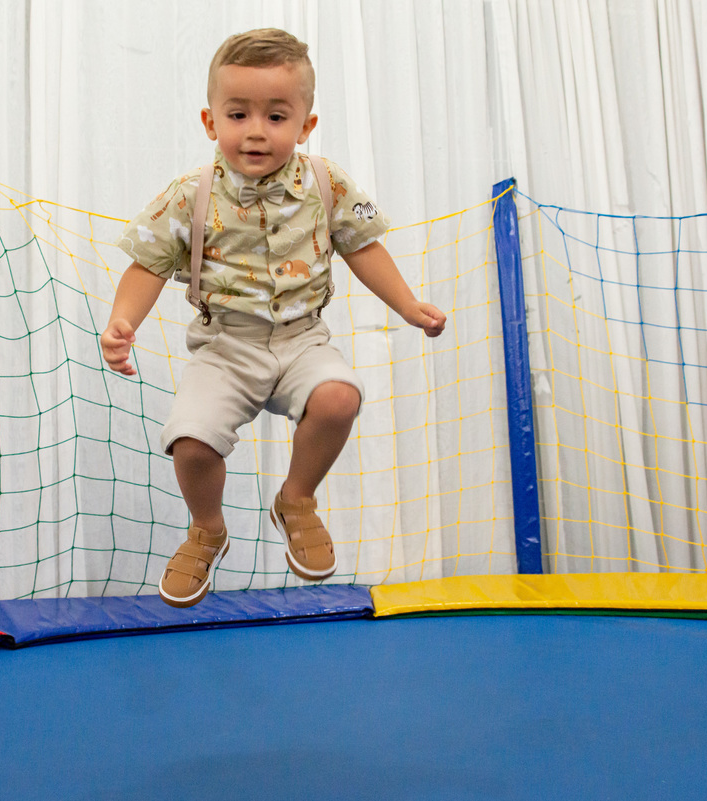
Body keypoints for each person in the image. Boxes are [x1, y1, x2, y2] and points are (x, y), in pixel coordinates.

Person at [100, 29, 446, 608]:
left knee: (339, 397)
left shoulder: (325, 183)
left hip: (301, 338)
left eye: (276, 116)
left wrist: (408, 306)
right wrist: (120, 322)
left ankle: (296, 498)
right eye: (239, 114)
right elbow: (147, 265)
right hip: (224, 346)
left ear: (305, 126)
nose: (256, 130)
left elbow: (363, 248)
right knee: (190, 442)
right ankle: (207, 528)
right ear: (211, 122)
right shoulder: (191, 195)